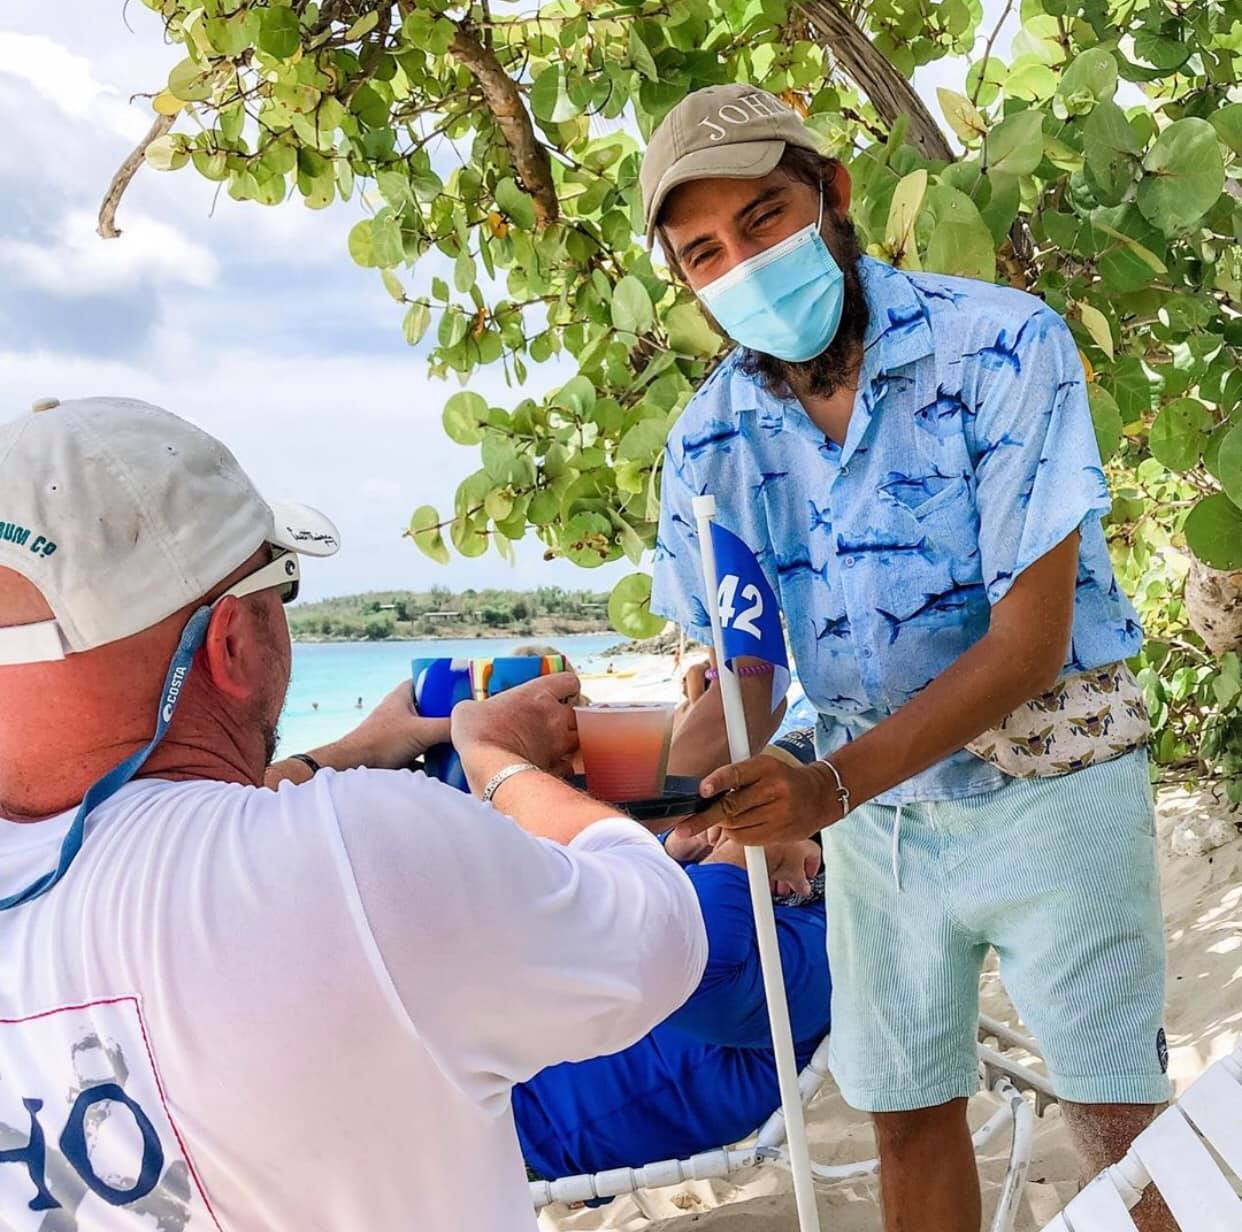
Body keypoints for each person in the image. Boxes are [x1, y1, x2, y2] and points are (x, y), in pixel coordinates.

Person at [643, 85, 1170, 1232]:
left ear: (832, 194)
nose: (742, 264)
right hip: (879, 828)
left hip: (1055, 780)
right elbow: (743, 674)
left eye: (766, 218)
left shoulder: (1003, 343)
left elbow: (1028, 645)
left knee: (1120, 1126)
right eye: (705, 253)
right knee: (905, 1111)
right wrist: (682, 759)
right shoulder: (706, 446)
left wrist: (820, 789)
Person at [0, 396, 707, 1231]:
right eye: (281, 585)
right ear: (229, 643)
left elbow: (136, 831)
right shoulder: (356, 854)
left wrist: (349, 750)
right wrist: (500, 763)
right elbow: (659, 935)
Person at [517, 820, 828, 1182]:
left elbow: (692, 974)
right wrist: (669, 854)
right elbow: (588, 899)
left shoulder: (826, 943)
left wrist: (741, 855)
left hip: (519, 1124)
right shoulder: (759, 906)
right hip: (491, 1078)